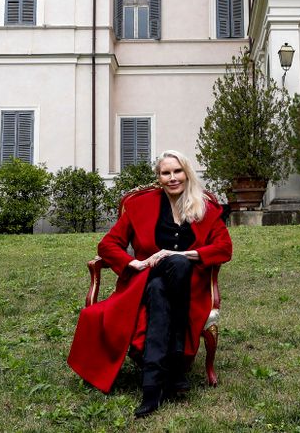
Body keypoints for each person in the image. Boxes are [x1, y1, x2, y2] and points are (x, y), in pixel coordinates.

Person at [67, 150, 233, 418]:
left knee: (169, 276)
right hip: (144, 279)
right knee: (158, 281)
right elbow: (108, 245)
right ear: (159, 177)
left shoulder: (206, 207)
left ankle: (152, 386)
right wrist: (133, 263)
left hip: (189, 286)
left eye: (177, 171)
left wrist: (180, 254)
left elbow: (224, 248)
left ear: (187, 173)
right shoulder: (140, 205)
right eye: (166, 173)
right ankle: (175, 367)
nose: (172, 178)